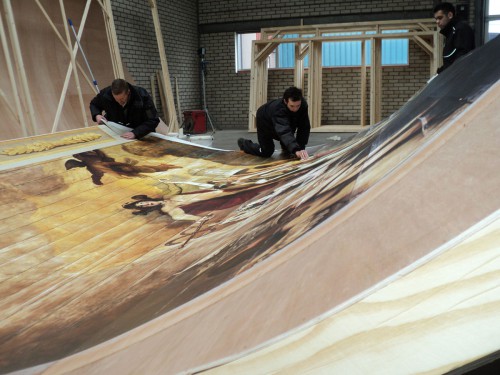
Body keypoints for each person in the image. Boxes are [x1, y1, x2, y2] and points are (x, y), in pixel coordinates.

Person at [238, 86, 311, 160]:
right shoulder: (278, 110)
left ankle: (290, 147)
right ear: (285, 102)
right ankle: (244, 144)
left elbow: (304, 127)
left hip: (284, 120)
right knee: (266, 152)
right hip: (264, 119)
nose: (295, 109)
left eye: (298, 106)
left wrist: (301, 148)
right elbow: (284, 131)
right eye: (292, 106)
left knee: (290, 149)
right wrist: (296, 149)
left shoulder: (303, 105)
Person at [90, 78, 160, 139]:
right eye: (116, 99)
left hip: (140, 132)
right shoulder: (105, 94)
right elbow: (94, 104)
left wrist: (135, 133)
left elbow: (153, 120)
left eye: (122, 99)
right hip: (116, 132)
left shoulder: (142, 95)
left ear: (128, 92)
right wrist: (97, 115)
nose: (119, 102)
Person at [433, 2, 475, 74]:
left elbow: (462, 58)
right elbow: (451, 60)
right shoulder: (450, 33)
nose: (437, 21)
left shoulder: (461, 29)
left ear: (450, 15)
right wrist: (440, 72)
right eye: (436, 19)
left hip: (460, 78)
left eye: (440, 18)